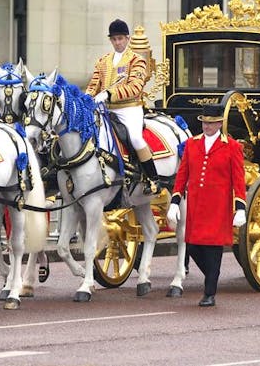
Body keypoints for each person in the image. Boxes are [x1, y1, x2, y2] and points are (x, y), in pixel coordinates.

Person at [166, 104, 246, 307]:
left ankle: (209, 292)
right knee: (192, 246)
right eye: (204, 122)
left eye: (211, 123)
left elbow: (238, 180)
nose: (206, 126)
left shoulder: (232, 147)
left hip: (218, 205)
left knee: (213, 249)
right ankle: (212, 276)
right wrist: (175, 201)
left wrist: (241, 208)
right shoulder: (192, 144)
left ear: (219, 123)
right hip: (196, 204)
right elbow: (182, 175)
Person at [85, 19, 158, 194]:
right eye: (114, 39)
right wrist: (87, 98)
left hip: (129, 108)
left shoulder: (137, 60)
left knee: (135, 138)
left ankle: (152, 178)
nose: (118, 42)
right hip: (105, 109)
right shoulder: (102, 61)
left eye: (120, 39)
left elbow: (135, 87)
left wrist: (110, 94)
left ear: (127, 38)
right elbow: (93, 84)